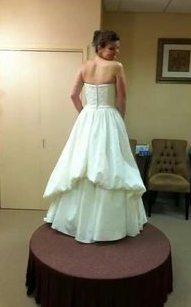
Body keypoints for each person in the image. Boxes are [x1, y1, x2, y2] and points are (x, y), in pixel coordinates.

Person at [43, 30, 147, 243]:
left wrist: (84, 113)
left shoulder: (84, 66)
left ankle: (76, 221)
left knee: (83, 162)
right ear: (99, 47)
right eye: (112, 48)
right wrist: (120, 121)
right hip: (109, 116)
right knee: (109, 164)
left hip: (88, 118)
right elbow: (122, 98)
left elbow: (73, 95)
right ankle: (107, 225)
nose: (116, 52)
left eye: (117, 48)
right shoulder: (117, 67)